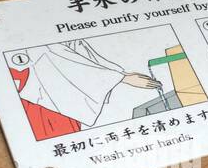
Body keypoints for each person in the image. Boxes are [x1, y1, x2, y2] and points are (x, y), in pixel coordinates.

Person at [9, 39, 160, 141]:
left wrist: (122, 75)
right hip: (44, 100)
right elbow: (54, 57)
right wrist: (122, 78)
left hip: (60, 98)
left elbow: (80, 52)